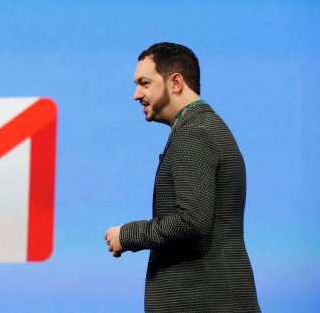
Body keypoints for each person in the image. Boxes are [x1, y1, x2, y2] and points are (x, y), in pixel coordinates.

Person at [104, 42, 260, 312]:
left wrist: (128, 235)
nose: (136, 94)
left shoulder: (194, 133)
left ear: (175, 82)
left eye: (144, 83)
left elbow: (191, 221)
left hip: (203, 303)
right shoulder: (202, 127)